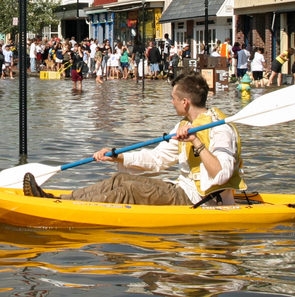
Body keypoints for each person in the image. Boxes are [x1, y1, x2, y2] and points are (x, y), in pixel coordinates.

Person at [23, 71, 245, 206]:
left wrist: (197, 142)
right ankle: (58, 199)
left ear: (184, 102)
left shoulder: (220, 129)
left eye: (173, 99)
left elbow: (222, 174)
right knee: (119, 180)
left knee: (128, 191)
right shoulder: (183, 126)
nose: (171, 102)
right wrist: (119, 157)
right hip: (182, 190)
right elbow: (157, 159)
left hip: (201, 201)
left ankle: (64, 208)